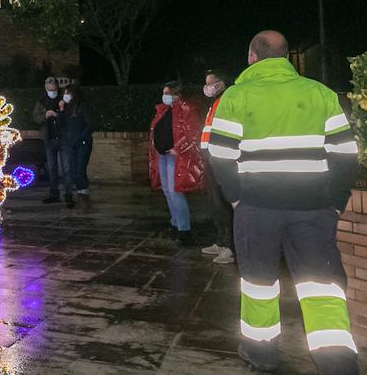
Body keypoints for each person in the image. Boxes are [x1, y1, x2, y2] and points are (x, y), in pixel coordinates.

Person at [208, 30, 359, 374]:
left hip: (256, 209)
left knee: (259, 285)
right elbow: (345, 154)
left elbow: (220, 154)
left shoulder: (237, 96)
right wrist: (335, 202)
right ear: (287, 57)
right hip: (313, 210)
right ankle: (337, 363)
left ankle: (261, 353)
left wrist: (236, 198)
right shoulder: (319, 93)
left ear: (252, 57)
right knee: (323, 288)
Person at [149, 80, 204, 246]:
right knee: (167, 190)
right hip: (163, 154)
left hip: (175, 156)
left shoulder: (186, 108)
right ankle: (175, 223)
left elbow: (192, 132)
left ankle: (184, 229)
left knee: (175, 191)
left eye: (167, 93)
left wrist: (178, 148)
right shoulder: (164, 109)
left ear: (176, 94)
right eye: (164, 93)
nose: (164, 96)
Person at [199, 70, 235, 264]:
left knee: (223, 204)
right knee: (215, 204)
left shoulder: (227, 100)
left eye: (211, 83)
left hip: (221, 159)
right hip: (211, 158)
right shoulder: (215, 103)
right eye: (206, 83)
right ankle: (221, 242)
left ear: (222, 83)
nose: (207, 86)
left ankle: (230, 247)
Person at [57, 85, 94, 210]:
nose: (65, 95)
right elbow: (61, 125)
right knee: (73, 171)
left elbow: (90, 125)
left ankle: (84, 197)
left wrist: (80, 138)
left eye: (67, 93)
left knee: (80, 170)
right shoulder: (67, 108)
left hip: (82, 144)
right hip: (70, 144)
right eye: (64, 93)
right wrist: (61, 110)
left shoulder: (82, 107)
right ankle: (81, 195)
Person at [34, 76, 65, 204]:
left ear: (57, 87)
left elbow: (69, 116)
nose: (52, 90)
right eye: (49, 88)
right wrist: (45, 116)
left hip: (63, 138)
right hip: (49, 139)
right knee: (52, 168)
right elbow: (36, 117)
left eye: (53, 88)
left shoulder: (62, 99)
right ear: (45, 88)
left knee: (66, 168)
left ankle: (68, 194)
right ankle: (54, 194)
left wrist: (60, 113)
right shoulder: (41, 101)